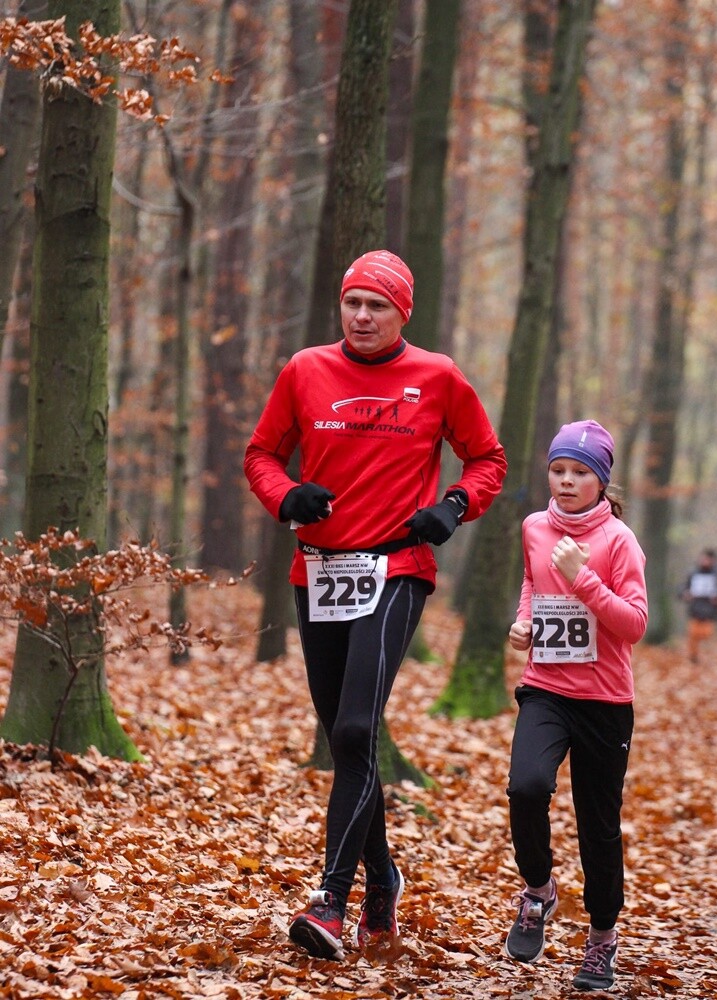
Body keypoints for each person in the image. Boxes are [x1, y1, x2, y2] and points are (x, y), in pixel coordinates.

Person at [244, 249, 507, 960]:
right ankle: (383, 877)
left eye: (377, 306)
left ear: (401, 314)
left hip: (396, 567)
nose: (362, 316)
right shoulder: (305, 370)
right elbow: (261, 455)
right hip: (320, 573)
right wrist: (285, 496)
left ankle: (330, 899)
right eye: (353, 302)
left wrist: (453, 506)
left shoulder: (437, 376)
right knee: (344, 738)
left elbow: (487, 459)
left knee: (358, 727)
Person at [504, 419, 647, 992]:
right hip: (545, 687)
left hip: (605, 701)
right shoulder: (534, 527)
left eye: (579, 473)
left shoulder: (619, 541)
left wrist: (583, 578)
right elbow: (533, 583)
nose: (565, 482)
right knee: (526, 787)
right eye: (558, 470)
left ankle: (602, 939)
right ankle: (538, 891)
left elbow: (634, 624)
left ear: (601, 481)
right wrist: (524, 622)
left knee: (598, 827)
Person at [679, 548, 717, 663]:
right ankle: (693, 658)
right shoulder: (693, 573)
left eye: (708, 559)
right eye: (703, 558)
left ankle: (708, 660)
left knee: (707, 636)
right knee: (693, 636)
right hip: (695, 611)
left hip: (710, 613)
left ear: (713, 561)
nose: (705, 561)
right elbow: (682, 590)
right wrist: (685, 594)